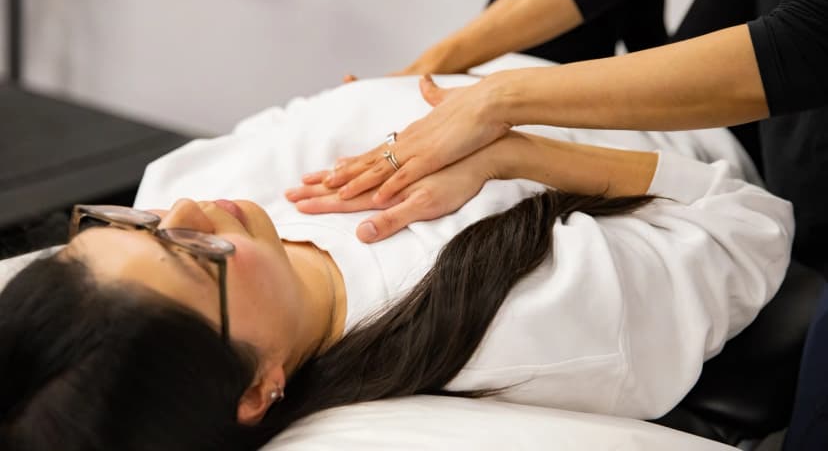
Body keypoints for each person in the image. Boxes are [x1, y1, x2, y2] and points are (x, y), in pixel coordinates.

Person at [0, 74, 791, 450]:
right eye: (194, 258)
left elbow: (295, 113)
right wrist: (521, 147)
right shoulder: (520, 323)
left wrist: (459, 83)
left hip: (542, 67)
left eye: (123, 225)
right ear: (254, 386)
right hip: (722, 113)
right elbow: (750, 226)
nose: (185, 211)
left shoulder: (184, 192)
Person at [295, 0, 828, 449]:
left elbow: (805, 46)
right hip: (672, 108)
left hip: (767, 133)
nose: (196, 217)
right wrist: (429, 70)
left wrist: (501, 120)